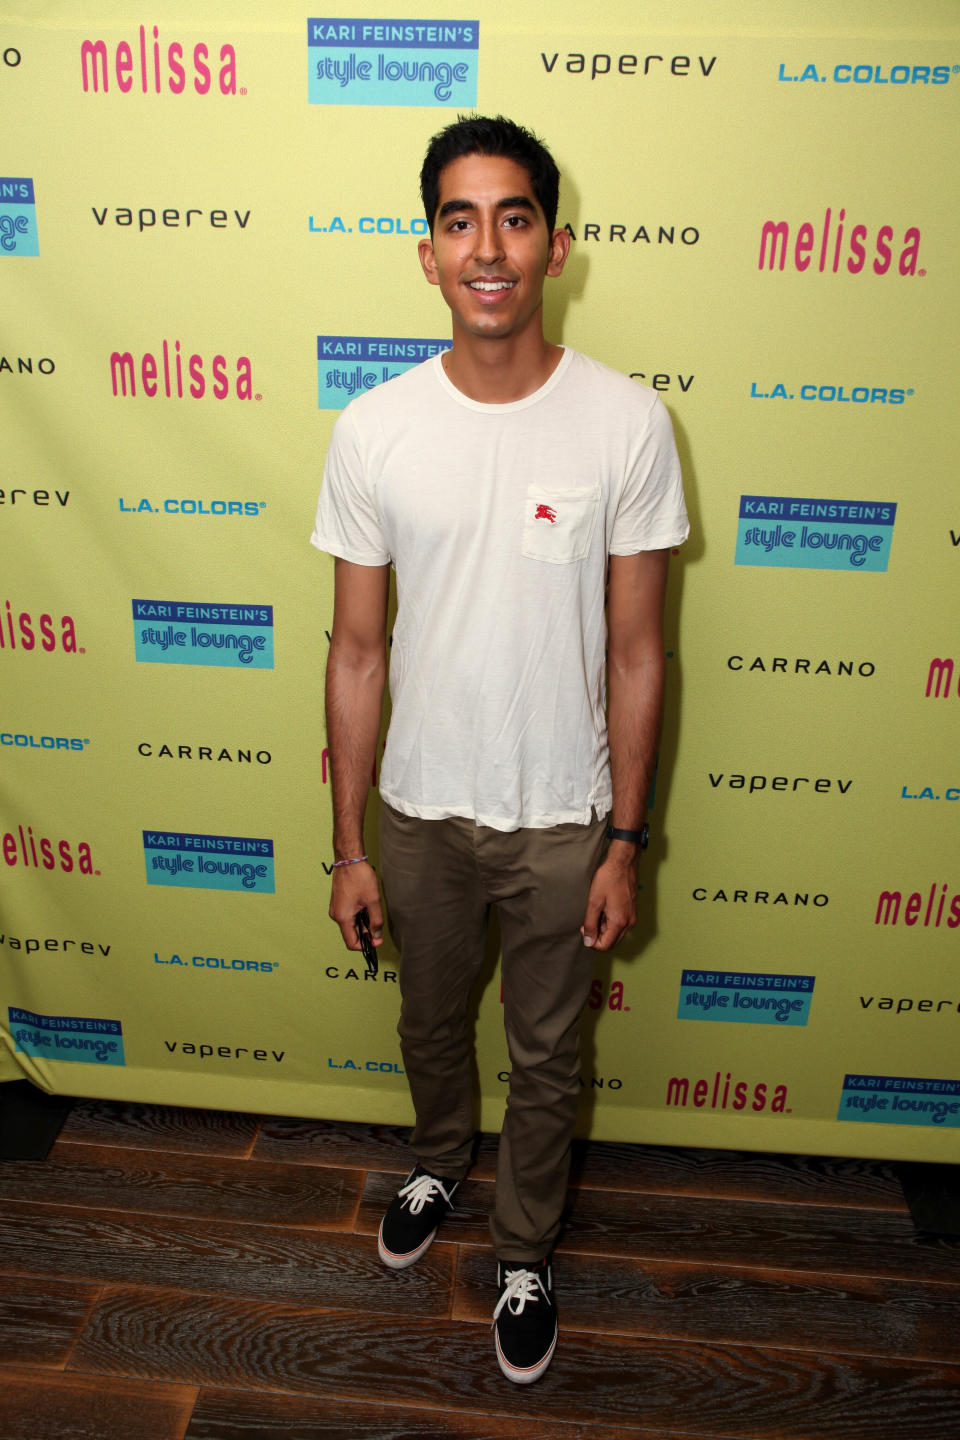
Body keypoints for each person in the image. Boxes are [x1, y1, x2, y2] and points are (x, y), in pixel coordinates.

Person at [312, 114, 688, 1384]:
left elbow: (641, 655)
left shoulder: (628, 423)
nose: (488, 248)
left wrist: (625, 840)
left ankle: (524, 1244)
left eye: (514, 218)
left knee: (548, 1056)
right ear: (428, 253)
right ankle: (434, 1162)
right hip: (417, 813)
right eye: (460, 221)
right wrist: (347, 846)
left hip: (561, 814)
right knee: (430, 1028)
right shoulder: (374, 428)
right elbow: (356, 651)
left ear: (555, 246)